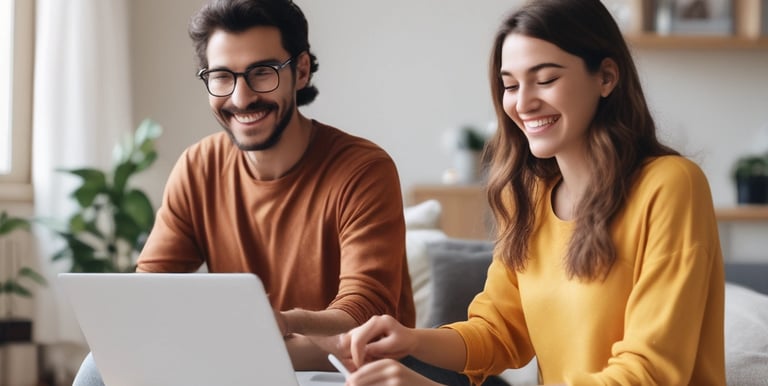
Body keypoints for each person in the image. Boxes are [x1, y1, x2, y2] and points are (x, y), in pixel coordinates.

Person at [328, 0, 726, 385]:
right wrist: (410, 340)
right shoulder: (530, 197)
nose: (523, 103)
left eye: (546, 79)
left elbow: (648, 373)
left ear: (606, 77)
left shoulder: (671, 185)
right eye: (510, 85)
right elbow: (498, 331)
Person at [72, 0, 415, 384]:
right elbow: (150, 295)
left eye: (262, 72)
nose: (240, 97)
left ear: (300, 71)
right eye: (222, 76)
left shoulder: (363, 168)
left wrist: (278, 326)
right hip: (240, 363)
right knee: (98, 367)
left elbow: (364, 311)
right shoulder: (198, 167)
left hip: (347, 368)